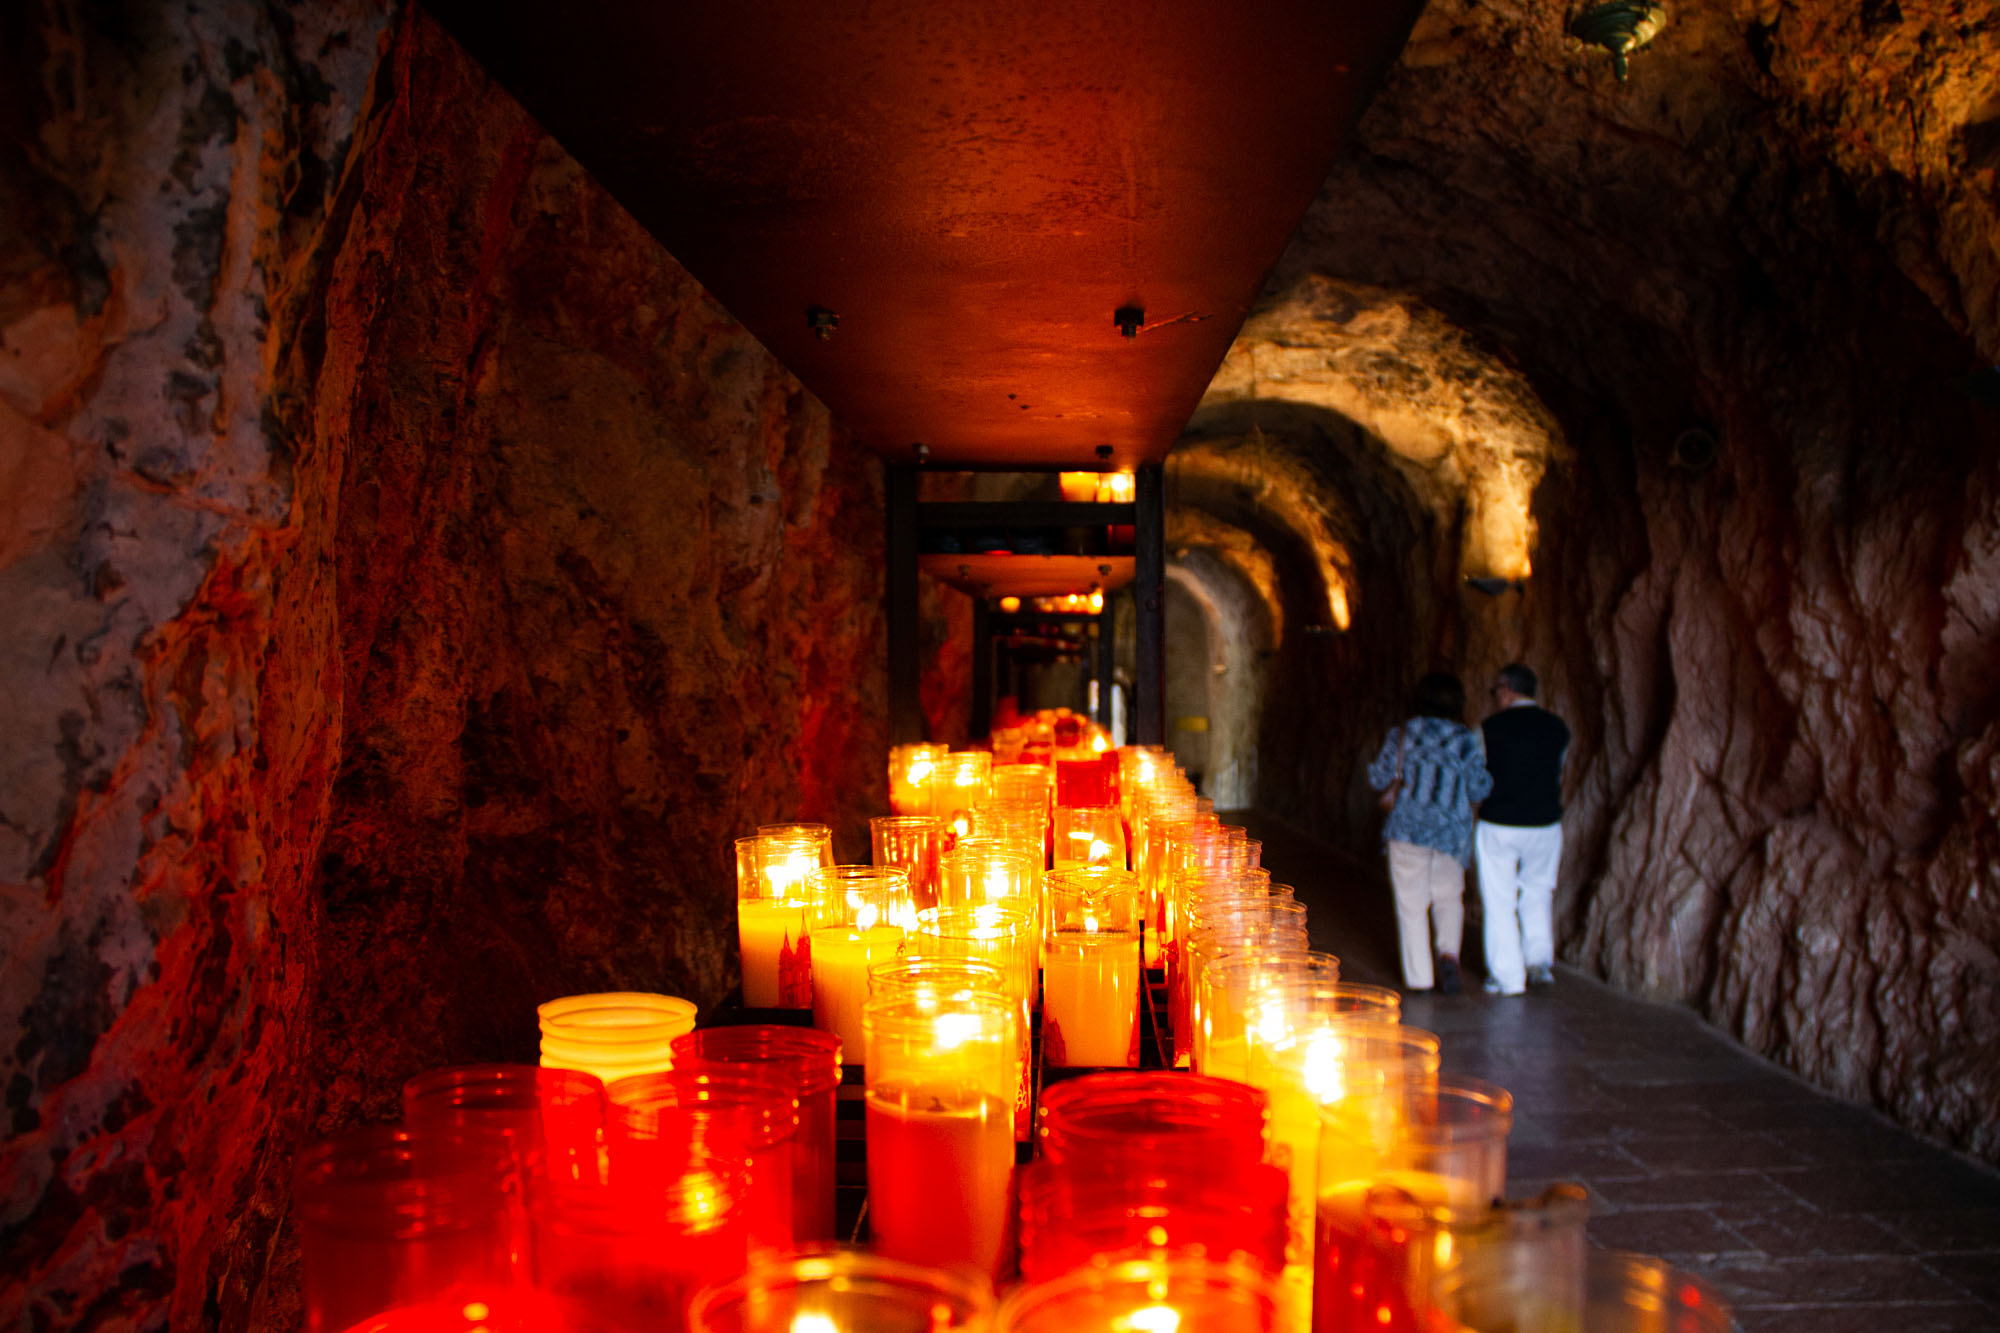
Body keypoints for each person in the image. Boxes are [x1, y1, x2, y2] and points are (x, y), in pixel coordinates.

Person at [1367, 673, 1492, 994]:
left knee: (1411, 903)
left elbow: (1379, 777)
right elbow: (1480, 785)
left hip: (1407, 828)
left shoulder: (1403, 734)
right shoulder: (1465, 739)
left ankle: (1419, 978)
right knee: (1449, 897)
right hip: (1451, 832)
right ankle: (1448, 954)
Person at [1475, 663, 1571, 996]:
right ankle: (1539, 962)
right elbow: (1559, 772)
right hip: (1545, 822)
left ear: (1507, 689)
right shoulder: (1558, 728)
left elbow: (1480, 777)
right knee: (1539, 890)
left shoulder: (1489, 727)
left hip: (1499, 822)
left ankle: (1508, 977)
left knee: (1500, 898)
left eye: (1496, 691)